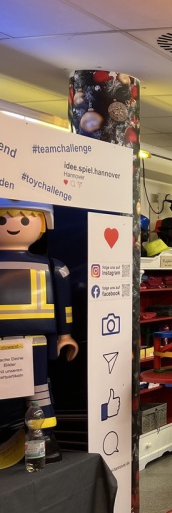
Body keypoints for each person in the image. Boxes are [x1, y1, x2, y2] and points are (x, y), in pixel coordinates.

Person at [0, 200, 77, 467]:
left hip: (35, 340)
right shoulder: (51, 266)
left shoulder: (53, 267)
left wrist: (65, 335)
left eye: (24, 220)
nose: (13, 226)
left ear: (43, 224)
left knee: (38, 387)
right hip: (20, 340)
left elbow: (64, 305)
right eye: (3, 220)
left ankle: (43, 436)